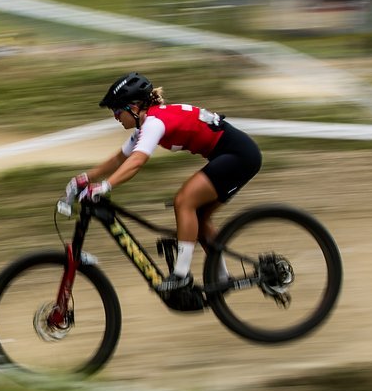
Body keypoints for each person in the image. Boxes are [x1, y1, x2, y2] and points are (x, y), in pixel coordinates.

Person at [65, 72, 262, 292]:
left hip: (239, 156)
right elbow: (120, 158)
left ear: (134, 106)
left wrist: (105, 186)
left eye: (117, 110)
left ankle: (181, 275)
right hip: (232, 154)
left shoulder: (154, 123)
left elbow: (137, 161)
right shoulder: (148, 122)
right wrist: (84, 178)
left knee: (184, 202)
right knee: (199, 215)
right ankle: (221, 276)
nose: (115, 117)